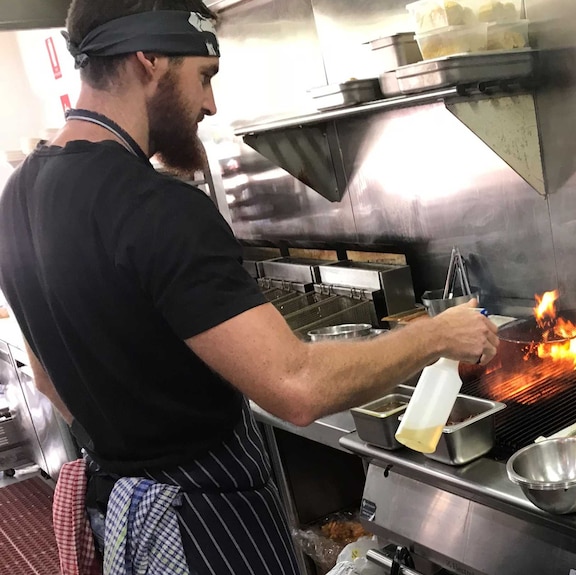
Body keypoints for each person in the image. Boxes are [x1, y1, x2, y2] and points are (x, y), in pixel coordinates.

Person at [0, 1, 499, 573]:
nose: (210, 104)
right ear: (150, 58)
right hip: (205, 526)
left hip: (124, 514)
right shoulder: (156, 207)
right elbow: (296, 387)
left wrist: (133, 437)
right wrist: (435, 335)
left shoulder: (17, 197)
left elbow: (47, 378)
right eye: (204, 77)